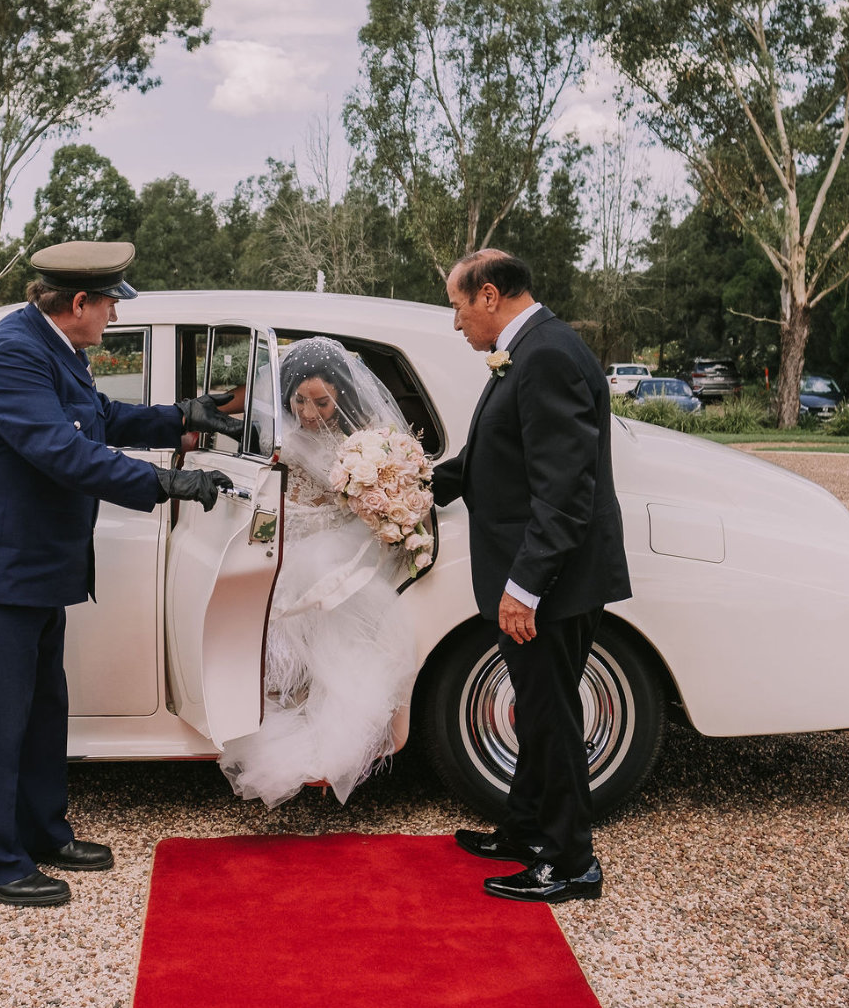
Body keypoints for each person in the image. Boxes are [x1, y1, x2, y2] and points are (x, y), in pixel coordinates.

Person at [0, 241, 239, 909]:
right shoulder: (11, 354)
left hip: (30, 569)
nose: (115, 315)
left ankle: (40, 833)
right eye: (110, 303)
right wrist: (168, 483)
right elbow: (64, 451)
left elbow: (98, 417)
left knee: (42, 713)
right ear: (78, 304)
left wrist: (182, 419)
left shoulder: (52, 348)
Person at [432, 249, 631, 904]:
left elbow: (565, 488)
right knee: (543, 711)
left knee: (550, 719)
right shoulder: (529, 347)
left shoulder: (545, 354)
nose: (456, 321)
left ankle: (573, 863)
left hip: (550, 584)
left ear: (489, 295)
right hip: (543, 576)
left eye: (459, 305)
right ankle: (523, 827)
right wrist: (413, 486)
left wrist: (525, 586)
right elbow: (495, 454)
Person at [217, 337, 420, 808]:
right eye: (299, 400)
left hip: (341, 537)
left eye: (321, 402)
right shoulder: (280, 433)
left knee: (326, 581)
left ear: (342, 396)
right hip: (288, 532)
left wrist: (380, 502)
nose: (309, 413)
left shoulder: (366, 438)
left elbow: (375, 490)